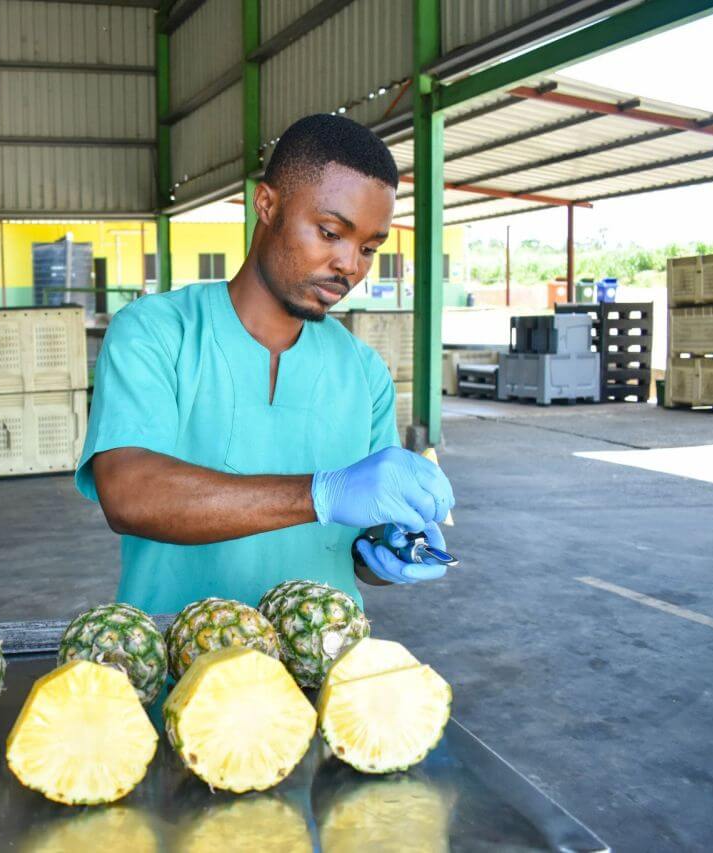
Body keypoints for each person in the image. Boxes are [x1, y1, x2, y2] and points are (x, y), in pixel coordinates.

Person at [76, 114, 455, 615]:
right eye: (329, 232)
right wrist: (320, 494)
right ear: (268, 204)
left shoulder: (364, 373)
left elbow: (359, 542)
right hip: (175, 670)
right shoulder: (156, 332)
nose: (350, 265)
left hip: (320, 676)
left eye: (368, 248)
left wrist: (389, 545)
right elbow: (128, 494)